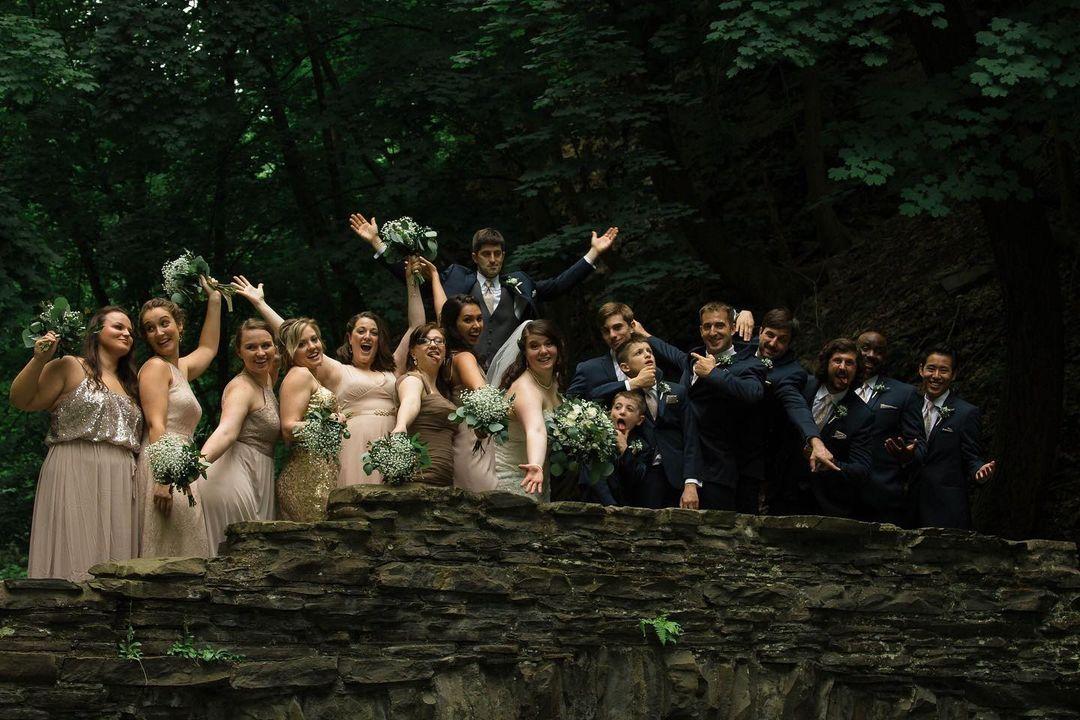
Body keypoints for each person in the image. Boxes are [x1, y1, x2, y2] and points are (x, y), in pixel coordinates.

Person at [231, 266, 422, 486]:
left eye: (374, 332)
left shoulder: (393, 369)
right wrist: (260, 304)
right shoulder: (338, 371)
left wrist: (412, 279)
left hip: (391, 444)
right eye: (361, 331)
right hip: (353, 448)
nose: (367, 336)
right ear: (350, 338)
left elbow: (416, 327)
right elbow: (295, 334)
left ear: (379, 340)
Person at [350, 214, 618, 367]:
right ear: (475, 257)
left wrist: (593, 254)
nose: (493, 260)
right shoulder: (455, 279)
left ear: (503, 256)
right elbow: (411, 278)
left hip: (512, 373)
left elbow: (559, 285)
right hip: (461, 370)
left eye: (497, 254)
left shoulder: (520, 283)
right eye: (486, 254)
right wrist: (377, 243)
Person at [10, 306, 143, 581]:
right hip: (74, 465)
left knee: (114, 558)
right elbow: (21, 399)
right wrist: (38, 360)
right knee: (74, 545)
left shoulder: (131, 384)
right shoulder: (71, 366)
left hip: (120, 476)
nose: (127, 334)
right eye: (118, 327)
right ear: (97, 331)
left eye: (130, 331)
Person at [642, 303, 766, 511]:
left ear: (732, 328)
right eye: (707, 326)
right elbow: (672, 353)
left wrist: (714, 374)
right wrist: (645, 335)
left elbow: (753, 393)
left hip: (717, 470)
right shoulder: (693, 359)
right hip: (679, 467)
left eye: (719, 325)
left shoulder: (748, 364)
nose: (713, 332)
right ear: (701, 330)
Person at [137, 283, 221, 558]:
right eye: (150, 328)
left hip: (181, 464)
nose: (159, 332)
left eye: (164, 323)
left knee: (186, 545)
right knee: (169, 549)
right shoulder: (155, 368)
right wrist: (163, 478)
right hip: (164, 464)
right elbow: (156, 425)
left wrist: (215, 298)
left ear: (179, 325)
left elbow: (208, 347)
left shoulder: (180, 368)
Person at [735, 309, 838, 513]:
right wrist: (740, 312)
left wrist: (815, 442)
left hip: (753, 454)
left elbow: (796, 405)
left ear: (790, 343)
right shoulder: (742, 344)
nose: (773, 343)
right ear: (760, 331)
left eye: (782, 340)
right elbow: (715, 325)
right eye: (770, 335)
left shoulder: (792, 372)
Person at [199, 319, 280, 556]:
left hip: (257, 472)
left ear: (275, 347)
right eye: (251, 347)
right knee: (240, 556)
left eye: (266, 345)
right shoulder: (241, 388)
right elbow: (226, 431)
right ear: (239, 352)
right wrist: (193, 468)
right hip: (233, 477)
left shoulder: (267, 376)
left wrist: (259, 303)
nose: (260, 353)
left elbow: (291, 334)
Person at [569, 302, 755, 403]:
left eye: (618, 327)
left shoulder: (656, 365)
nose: (612, 335)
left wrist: (741, 313)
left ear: (632, 326)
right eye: (605, 331)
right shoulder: (588, 369)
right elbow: (569, 407)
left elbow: (675, 355)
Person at [786, 338, 874, 518]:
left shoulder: (862, 414)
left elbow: (861, 471)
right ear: (826, 363)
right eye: (837, 360)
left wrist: (831, 464)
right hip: (784, 491)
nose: (842, 367)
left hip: (825, 504)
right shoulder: (803, 386)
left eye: (849, 363)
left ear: (857, 369)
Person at [910, 346, 995, 529]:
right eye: (931, 368)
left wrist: (979, 471)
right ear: (921, 370)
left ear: (954, 374)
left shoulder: (966, 413)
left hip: (946, 507)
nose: (936, 376)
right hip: (907, 504)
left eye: (944, 370)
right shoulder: (909, 405)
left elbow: (972, 456)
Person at [611, 335, 696, 509]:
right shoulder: (624, 397)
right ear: (625, 367)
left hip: (676, 476)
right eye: (639, 353)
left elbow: (691, 437)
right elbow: (593, 393)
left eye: (649, 351)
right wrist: (632, 384)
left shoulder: (677, 391)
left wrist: (691, 483)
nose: (647, 355)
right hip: (640, 476)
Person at [274, 318, 345, 521]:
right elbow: (288, 428)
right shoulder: (300, 374)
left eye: (314, 339)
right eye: (301, 344)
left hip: (320, 473)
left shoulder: (312, 376)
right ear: (290, 352)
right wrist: (329, 423)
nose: (312, 347)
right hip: (306, 477)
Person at [853, 330, 926, 525]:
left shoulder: (904, 394)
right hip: (838, 494)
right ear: (855, 350)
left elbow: (919, 446)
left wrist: (908, 456)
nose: (871, 355)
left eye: (878, 351)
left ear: (885, 357)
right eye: (865, 348)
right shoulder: (838, 387)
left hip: (883, 496)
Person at [489, 320, 566, 501]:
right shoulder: (525, 388)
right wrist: (536, 465)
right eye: (534, 346)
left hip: (539, 478)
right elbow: (535, 429)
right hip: (517, 479)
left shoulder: (553, 381)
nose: (543, 351)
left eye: (549, 343)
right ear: (524, 352)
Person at [439, 294, 497, 492]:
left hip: (461, 439)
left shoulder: (449, 356)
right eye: (468, 320)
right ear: (453, 325)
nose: (476, 325)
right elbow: (484, 396)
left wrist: (435, 279)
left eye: (479, 318)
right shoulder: (464, 358)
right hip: (472, 439)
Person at [391, 323, 457, 486]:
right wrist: (401, 425)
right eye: (425, 341)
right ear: (413, 351)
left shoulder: (444, 390)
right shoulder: (413, 379)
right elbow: (410, 401)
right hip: (419, 478)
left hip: (445, 479)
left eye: (439, 341)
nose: (433, 345)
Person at [580, 390, 650, 506]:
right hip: (594, 505)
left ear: (640, 420)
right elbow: (593, 478)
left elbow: (638, 479)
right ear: (610, 412)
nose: (622, 412)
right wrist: (611, 506)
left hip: (627, 508)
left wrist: (625, 450)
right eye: (617, 407)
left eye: (629, 409)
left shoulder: (643, 446)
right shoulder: (596, 438)